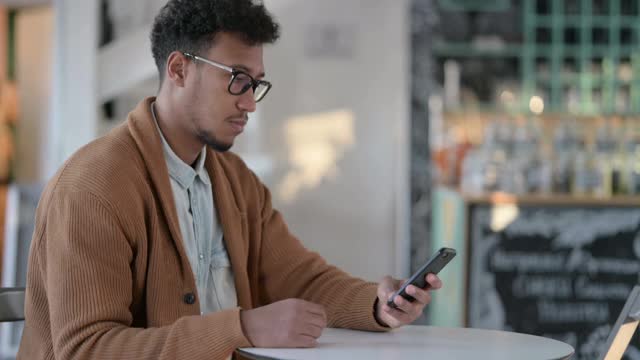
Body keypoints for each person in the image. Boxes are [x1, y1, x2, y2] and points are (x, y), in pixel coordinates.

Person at [18, 0, 442, 359]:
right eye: (237, 79)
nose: (249, 104)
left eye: (255, 84)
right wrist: (243, 329)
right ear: (180, 69)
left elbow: (299, 277)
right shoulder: (94, 186)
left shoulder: (235, 181)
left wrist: (379, 304)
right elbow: (86, 349)